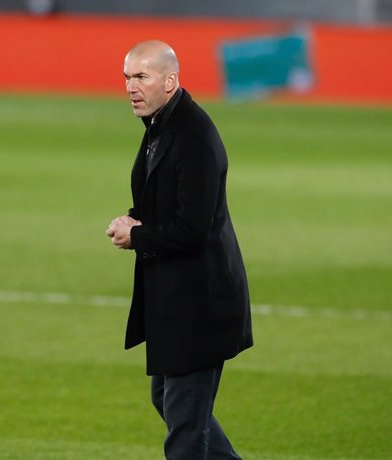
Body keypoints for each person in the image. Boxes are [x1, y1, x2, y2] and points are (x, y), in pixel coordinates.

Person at [106, 40, 253, 459]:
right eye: (127, 78)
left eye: (141, 77)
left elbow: (193, 229)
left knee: (185, 430)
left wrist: (139, 237)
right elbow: (164, 200)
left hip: (200, 303)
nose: (131, 87)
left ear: (170, 81)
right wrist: (135, 219)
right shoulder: (160, 125)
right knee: (173, 404)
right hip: (178, 300)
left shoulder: (194, 136)